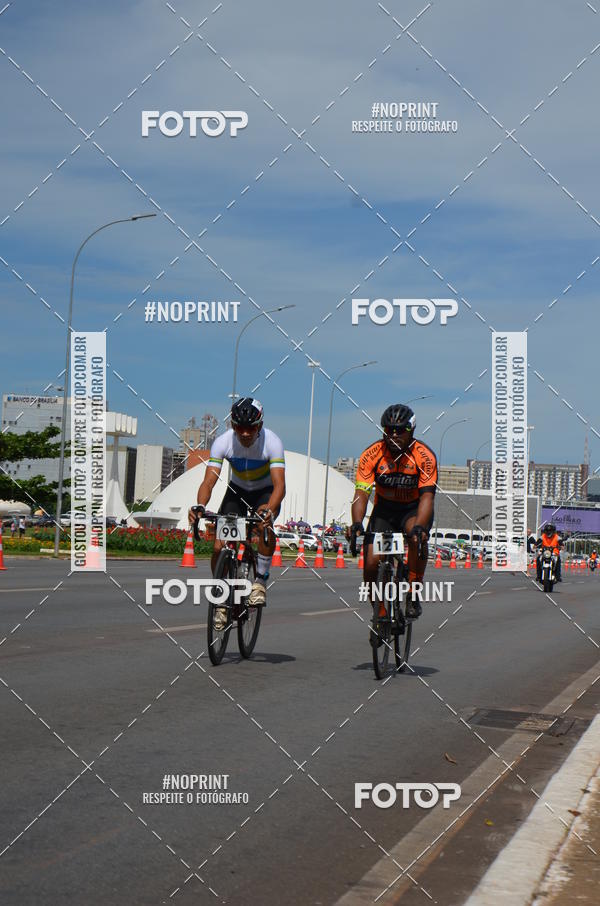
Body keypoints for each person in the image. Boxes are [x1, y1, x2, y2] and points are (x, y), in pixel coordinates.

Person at [189, 398, 285, 628]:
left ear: (260, 426)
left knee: (264, 525)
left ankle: (260, 580)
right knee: (218, 546)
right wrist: (200, 506)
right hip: (238, 492)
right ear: (232, 425)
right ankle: (222, 595)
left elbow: (280, 486)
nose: (245, 433)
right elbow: (208, 482)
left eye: (250, 428)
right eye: (239, 427)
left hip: (265, 492)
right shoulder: (223, 442)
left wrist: (270, 509)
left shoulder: (272, 442)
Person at [350, 403, 437, 625]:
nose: (394, 435)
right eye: (389, 430)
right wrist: (357, 522)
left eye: (400, 430)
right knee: (371, 563)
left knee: (417, 538)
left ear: (411, 430)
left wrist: (420, 527)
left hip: (413, 510)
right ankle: (379, 611)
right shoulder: (372, 454)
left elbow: (427, 497)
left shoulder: (424, 456)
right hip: (385, 511)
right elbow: (361, 493)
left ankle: (413, 592)